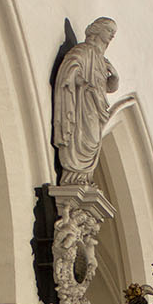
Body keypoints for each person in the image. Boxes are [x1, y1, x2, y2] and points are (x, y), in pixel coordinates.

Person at [51, 17, 120, 185]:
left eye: (113, 33)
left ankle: (82, 177)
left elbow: (107, 87)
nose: (112, 36)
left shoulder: (102, 60)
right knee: (82, 136)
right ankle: (74, 176)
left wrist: (115, 77)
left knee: (93, 139)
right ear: (98, 29)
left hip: (97, 107)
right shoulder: (84, 51)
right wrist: (82, 82)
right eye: (109, 30)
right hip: (84, 104)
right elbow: (71, 67)